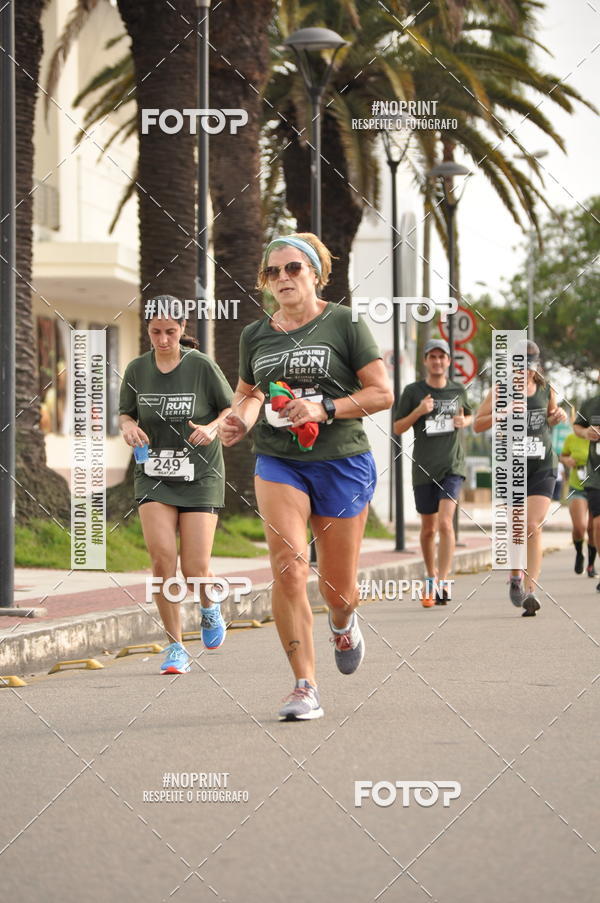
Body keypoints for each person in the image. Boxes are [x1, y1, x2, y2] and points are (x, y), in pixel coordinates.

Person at [218, 233, 393, 721]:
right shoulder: (256, 335)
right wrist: (239, 420)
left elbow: (382, 393)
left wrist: (324, 406)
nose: (283, 279)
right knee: (290, 567)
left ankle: (342, 621)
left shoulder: (344, 323)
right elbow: (250, 392)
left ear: (315, 273)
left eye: (293, 268)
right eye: (273, 272)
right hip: (279, 462)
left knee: (338, 589)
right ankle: (304, 685)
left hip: (341, 462)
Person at [119, 295, 234, 673]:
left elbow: (229, 408)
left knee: (195, 568)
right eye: (156, 332)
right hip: (154, 474)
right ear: (147, 331)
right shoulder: (137, 369)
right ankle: (174, 647)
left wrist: (212, 428)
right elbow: (125, 414)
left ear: (183, 329)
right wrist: (129, 427)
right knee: (161, 561)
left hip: (200, 474)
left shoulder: (200, 366)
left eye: (171, 331)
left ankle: (208, 604)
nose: (164, 339)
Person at [474, 341, 567, 616]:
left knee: (532, 524)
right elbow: (478, 423)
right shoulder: (500, 390)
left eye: (528, 364)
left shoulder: (546, 390)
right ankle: (515, 575)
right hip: (513, 467)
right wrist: (501, 412)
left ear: (535, 365)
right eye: (518, 364)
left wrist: (557, 416)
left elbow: (550, 417)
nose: (523, 370)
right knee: (518, 526)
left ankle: (531, 590)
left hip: (543, 464)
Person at [393, 338, 473, 607]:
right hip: (424, 467)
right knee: (428, 529)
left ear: (449, 361)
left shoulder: (458, 390)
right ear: (426, 361)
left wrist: (466, 420)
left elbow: (469, 415)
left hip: (452, 465)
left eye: (442, 357)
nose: (438, 361)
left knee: (445, 523)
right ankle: (430, 577)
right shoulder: (413, 391)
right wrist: (418, 411)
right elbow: (397, 428)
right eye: (433, 357)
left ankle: (444, 582)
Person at [559, 422, 597, 577]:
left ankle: (591, 565)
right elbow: (562, 455)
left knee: (593, 528)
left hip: (596, 487)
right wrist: (566, 461)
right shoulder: (571, 438)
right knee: (580, 527)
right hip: (577, 487)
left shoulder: (597, 439)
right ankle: (579, 552)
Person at [573, 388, 600, 593]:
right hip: (595, 476)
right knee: (595, 525)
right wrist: (586, 432)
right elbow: (577, 427)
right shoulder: (591, 403)